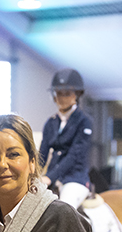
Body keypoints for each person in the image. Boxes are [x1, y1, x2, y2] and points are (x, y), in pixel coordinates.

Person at [39, 69, 94, 209]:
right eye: (59, 93)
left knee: (64, 208)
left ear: (77, 94)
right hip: (51, 177)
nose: (62, 98)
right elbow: (42, 153)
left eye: (67, 93)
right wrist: (34, 173)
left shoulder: (84, 121)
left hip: (74, 178)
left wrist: (49, 177)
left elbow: (74, 155)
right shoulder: (51, 122)